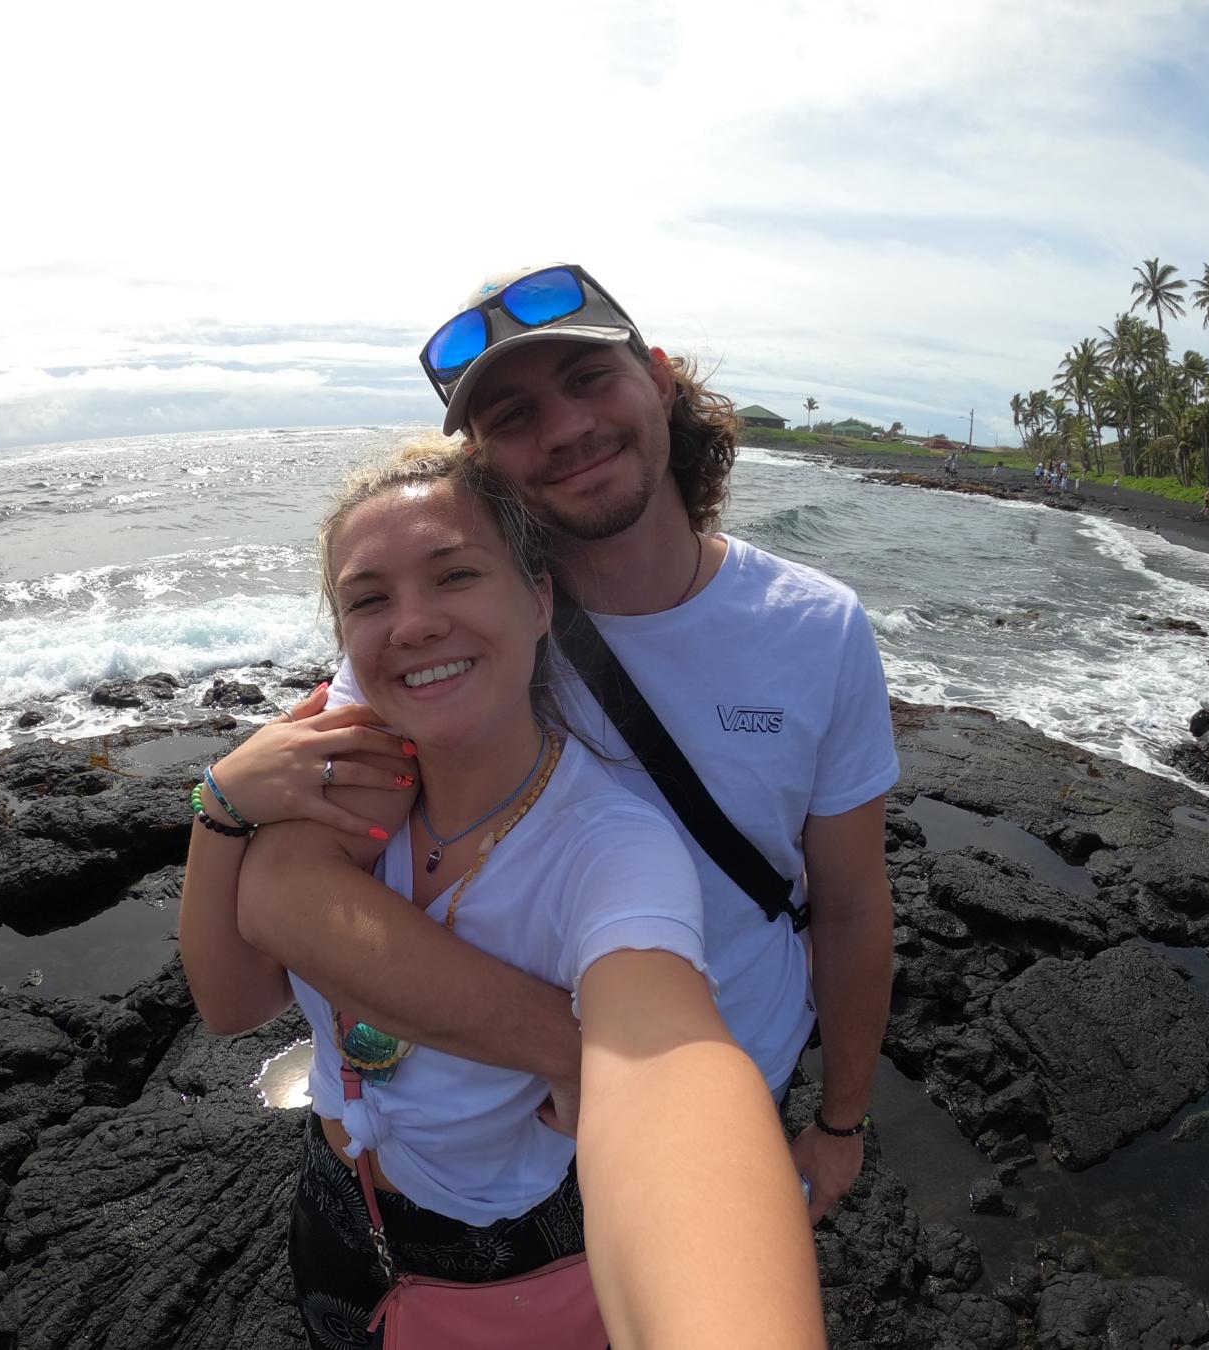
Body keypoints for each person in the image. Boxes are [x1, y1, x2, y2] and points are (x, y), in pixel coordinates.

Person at [236, 261, 900, 1234]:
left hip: (722, 1089)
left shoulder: (817, 628)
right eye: (511, 417)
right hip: (505, 1129)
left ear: (660, 379)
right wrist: (576, 1048)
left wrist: (842, 1120)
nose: (564, 429)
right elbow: (292, 892)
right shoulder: (465, 634)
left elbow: (849, 906)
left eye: (589, 381)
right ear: (479, 462)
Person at [181, 444, 825, 1347]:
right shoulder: (345, 796)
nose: (411, 624)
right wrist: (219, 805)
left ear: (540, 602)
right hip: (334, 1202)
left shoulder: (612, 849)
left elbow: (667, 1068)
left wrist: (589, 1058)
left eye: (456, 576)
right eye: (369, 598)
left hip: (515, 1255)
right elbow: (232, 1000)